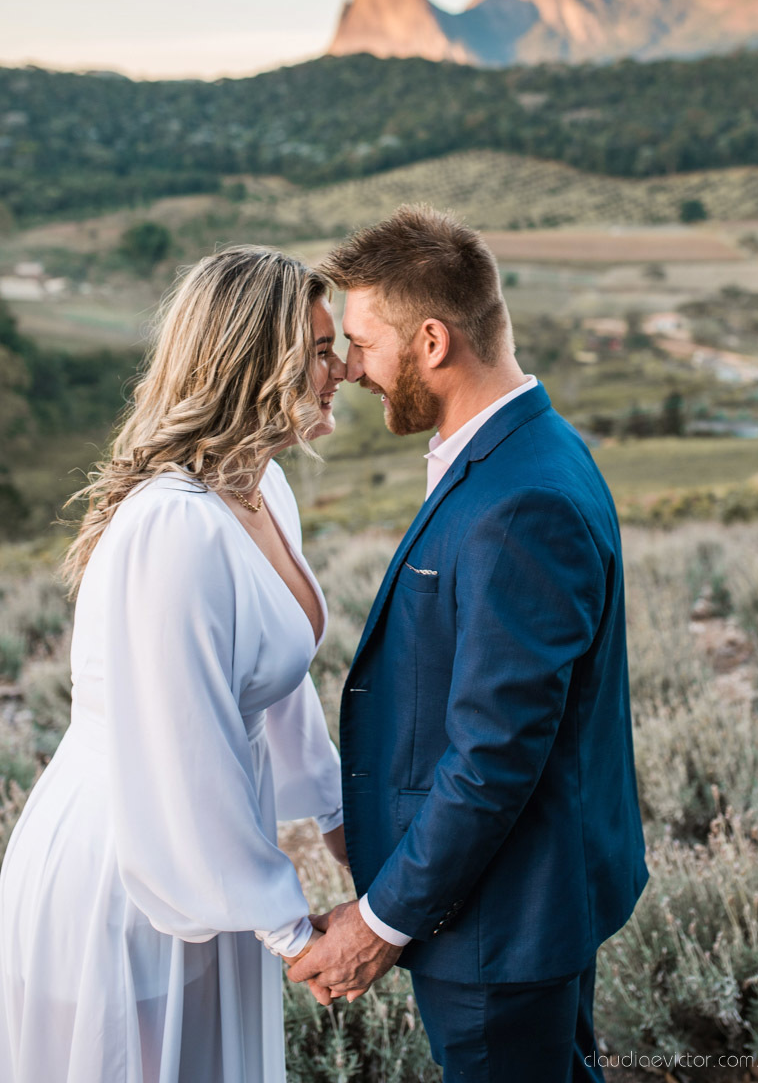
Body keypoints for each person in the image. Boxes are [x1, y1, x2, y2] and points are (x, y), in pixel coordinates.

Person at [289, 206, 649, 1082]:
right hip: (515, 905)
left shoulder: (518, 504)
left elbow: (494, 754)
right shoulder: (528, 451)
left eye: (365, 344)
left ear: (433, 342)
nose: (350, 369)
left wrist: (379, 925)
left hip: (498, 926)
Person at [0, 246, 348, 1083]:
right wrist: (294, 933)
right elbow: (181, 750)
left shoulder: (260, 490)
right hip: (128, 870)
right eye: (321, 350)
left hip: (213, 861)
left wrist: (346, 833)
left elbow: (277, 689)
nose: (344, 369)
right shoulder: (174, 524)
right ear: (255, 362)